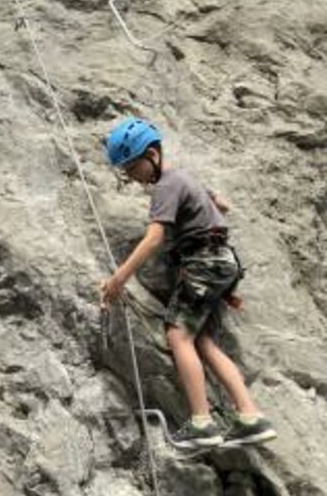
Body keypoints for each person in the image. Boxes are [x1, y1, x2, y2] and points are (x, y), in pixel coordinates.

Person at [99, 118, 277, 449]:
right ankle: (251, 416)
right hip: (220, 263)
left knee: (177, 335)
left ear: (152, 154)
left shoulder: (167, 185)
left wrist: (117, 280)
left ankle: (202, 424)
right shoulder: (184, 179)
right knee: (203, 341)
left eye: (131, 166)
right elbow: (221, 204)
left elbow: (154, 238)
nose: (130, 176)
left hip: (204, 264)